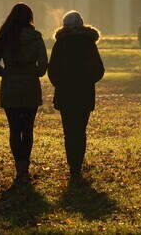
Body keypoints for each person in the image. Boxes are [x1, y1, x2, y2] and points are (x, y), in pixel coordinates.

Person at [0, 3, 48, 183]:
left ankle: (18, 167)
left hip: (10, 87)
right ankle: (25, 166)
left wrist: (4, 73)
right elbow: (43, 64)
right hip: (30, 87)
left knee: (14, 128)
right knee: (27, 128)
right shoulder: (36, 37)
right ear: (30, 18)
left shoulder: (5, 37)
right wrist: (34, 73)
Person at [48, 10, 105, 181]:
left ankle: (72, 165)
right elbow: (99, 70)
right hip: (84, 92)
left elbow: (52, 70)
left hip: (65, 93)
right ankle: (77, 166)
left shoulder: (60, 44)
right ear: (81, 25)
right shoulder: (89, 44)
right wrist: (88, 81)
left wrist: (60, 83)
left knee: (69, 131)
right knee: (80, 130)